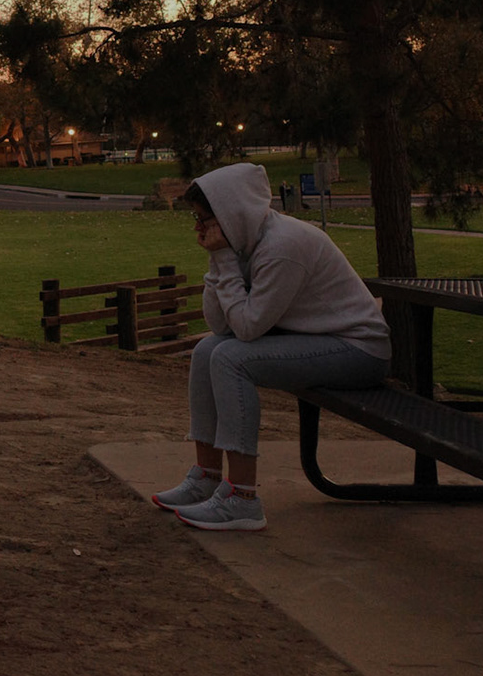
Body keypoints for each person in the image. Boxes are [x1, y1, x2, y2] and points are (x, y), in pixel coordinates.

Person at [150, 161, 390, 531]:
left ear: (232, 215)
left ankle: (242, 499)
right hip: (314, 339)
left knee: (231, 359)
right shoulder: (244, 242)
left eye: (204, 219)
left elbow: (246, 328)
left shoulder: (283, 246)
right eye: (196, 219)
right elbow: (219, 325)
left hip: (357, 349)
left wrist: (223, 258)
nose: (198, 228)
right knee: (207, 350)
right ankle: (206, 476)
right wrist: (219, 259)